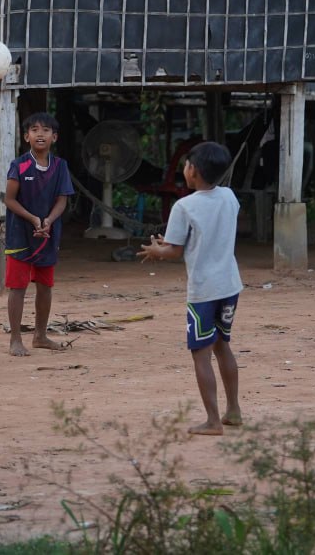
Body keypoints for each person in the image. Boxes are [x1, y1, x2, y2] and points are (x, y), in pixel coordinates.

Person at [136, 141, 244, 436]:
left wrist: (156, 250)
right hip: (229, 284)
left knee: (200, 353)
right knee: (222, 346)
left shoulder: (184, 206)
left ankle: (212, 421)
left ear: (193, 170)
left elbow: (174, 251)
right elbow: (207, 234)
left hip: (203, 290)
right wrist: (170, 245)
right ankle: (233, 409)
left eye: (186, 164)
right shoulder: (229, 197)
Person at [3, 112, 74, 356]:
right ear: (26, 137)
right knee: (18, 287)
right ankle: (15, 340)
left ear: (54, 137)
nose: (40, 134)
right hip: (20, 234)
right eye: (34, 130)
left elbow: (62, 200)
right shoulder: (19, 165)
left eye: (45, 130)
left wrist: (49, 221)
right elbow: (9, 199)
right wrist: (33, 219)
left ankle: (40, 336)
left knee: (45, 286)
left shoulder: (60, 166)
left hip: (47, 235)